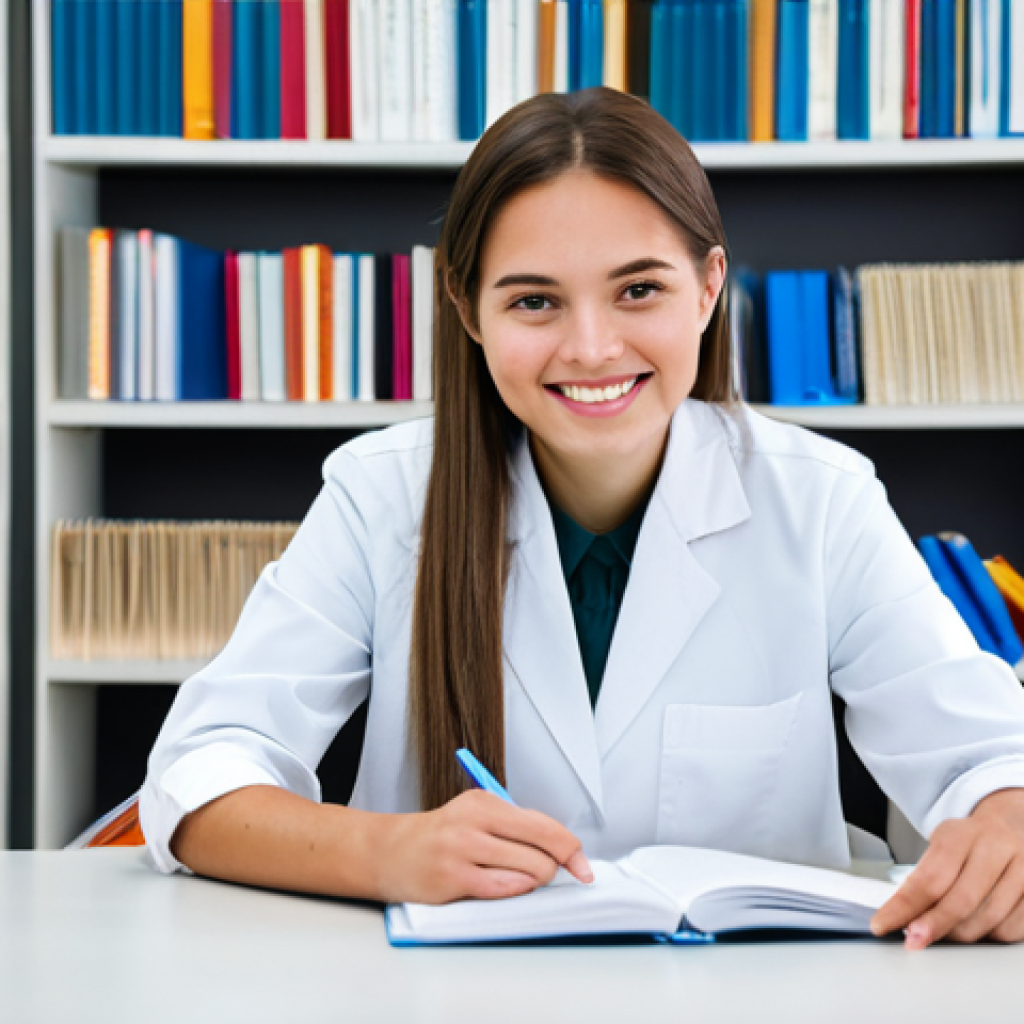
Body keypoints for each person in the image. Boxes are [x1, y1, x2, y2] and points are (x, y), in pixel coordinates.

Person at [141, 88, 1024, 949]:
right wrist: (384, 850)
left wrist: (1006, 817)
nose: (593, 348)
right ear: (466, 309)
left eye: (639, 290)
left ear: (710, 288)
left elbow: (987, 755)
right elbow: (198, 776)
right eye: (534, 301)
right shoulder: (380, 496)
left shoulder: (822, 498)